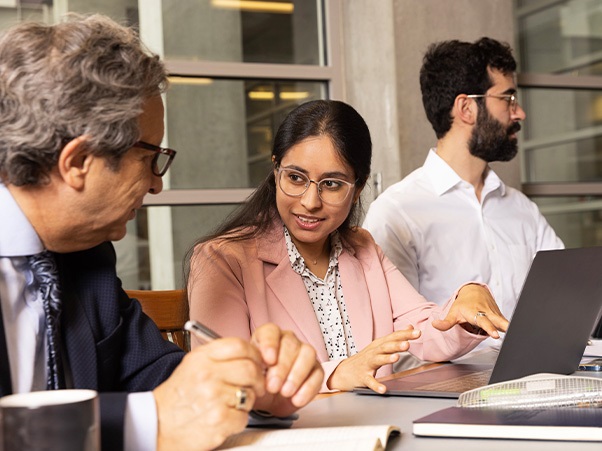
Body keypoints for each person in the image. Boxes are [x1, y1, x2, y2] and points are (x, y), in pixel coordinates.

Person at [0, 15, 323, 451]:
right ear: (77, 163)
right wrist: (148, 422)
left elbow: (157, 374)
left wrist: (248, 384)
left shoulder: (86, 253)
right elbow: (158, 409)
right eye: (151, 158)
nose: (158, 184)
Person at [187, 99, 509, 395]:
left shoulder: (363, 247)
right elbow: (224, 378)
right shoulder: (221, 260)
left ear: (357, 189)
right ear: (275, 172)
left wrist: (462, 308)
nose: (310, 202)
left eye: (331, 184)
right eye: (295, 178)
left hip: (375, 429)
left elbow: (421, 331)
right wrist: (336, 373)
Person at [363, 37, 563, 348]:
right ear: (467, 108)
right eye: (508, 99)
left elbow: (569, 296)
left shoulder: (523, 210)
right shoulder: (396, 214)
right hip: (444, 394)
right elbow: (395, 342)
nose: (519, 113)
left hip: (532, 381)